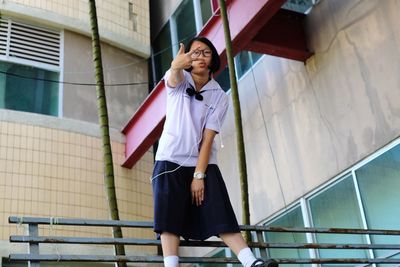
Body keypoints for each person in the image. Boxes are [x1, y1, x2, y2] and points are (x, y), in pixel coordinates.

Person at [151, 36, 278, 267]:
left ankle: (251, 262)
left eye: (205, 53)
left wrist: (198, 175)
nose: (200, 56)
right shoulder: (179, 80)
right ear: (187, 59)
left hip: (202, 162)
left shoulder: (219, 95)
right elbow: (173, 76)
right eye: (195, 52)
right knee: (168, 215)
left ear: (212, 61)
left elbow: (208, 139)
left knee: (220, 210)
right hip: (169, 159)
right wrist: (175, 65)